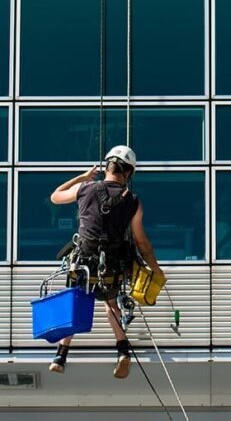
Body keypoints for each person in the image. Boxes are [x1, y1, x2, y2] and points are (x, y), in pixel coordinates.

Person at [48, 145, 164, 378]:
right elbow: (142, 243)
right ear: (129, 173)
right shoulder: (132, 201)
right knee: (110, 304)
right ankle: (122, 350)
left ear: (107, 167)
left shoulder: (85, 189)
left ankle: (61, 354)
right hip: (111, 266)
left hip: (82, 263)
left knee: (76, 303)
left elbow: (55, 196)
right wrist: (155, 270)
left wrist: (83, 177)